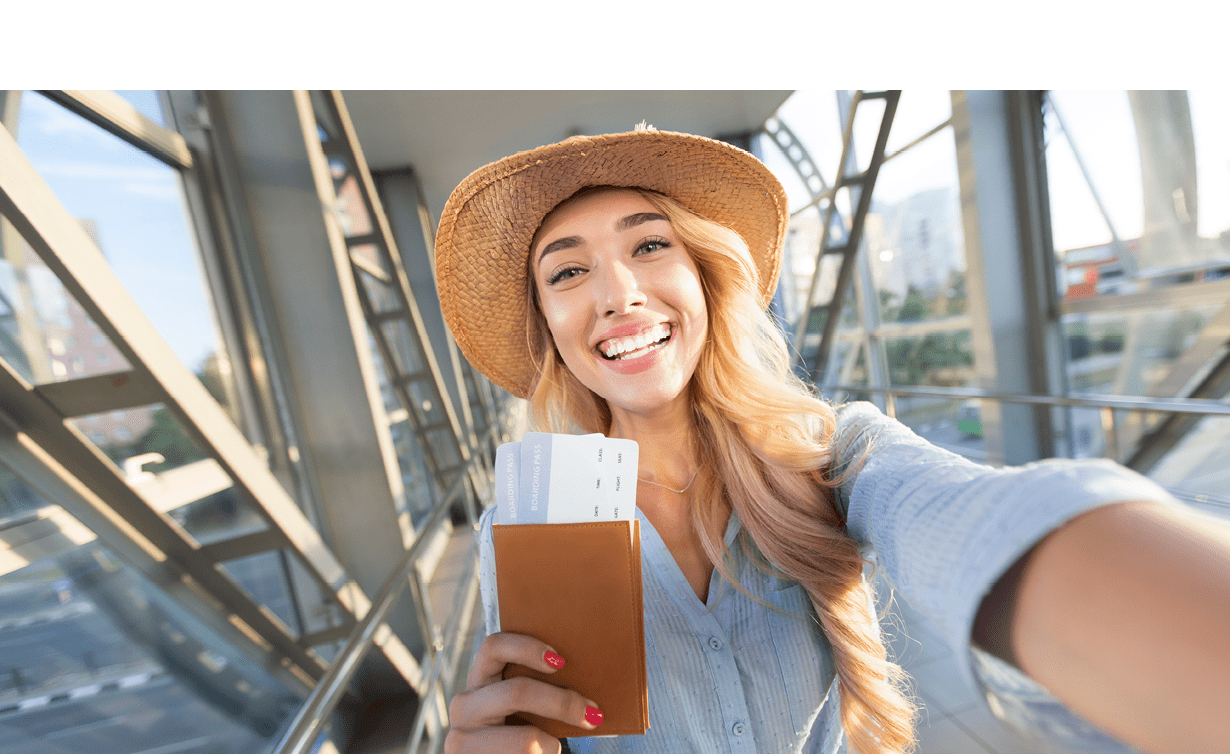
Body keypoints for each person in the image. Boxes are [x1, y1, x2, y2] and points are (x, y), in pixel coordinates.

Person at [433, 127, 1230, 754]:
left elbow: (968, 514)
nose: (618, 294)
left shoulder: (830, 454)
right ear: (549, 327)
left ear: (705, 276)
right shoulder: (528, 527)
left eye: (649, 245)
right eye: (567, 273)